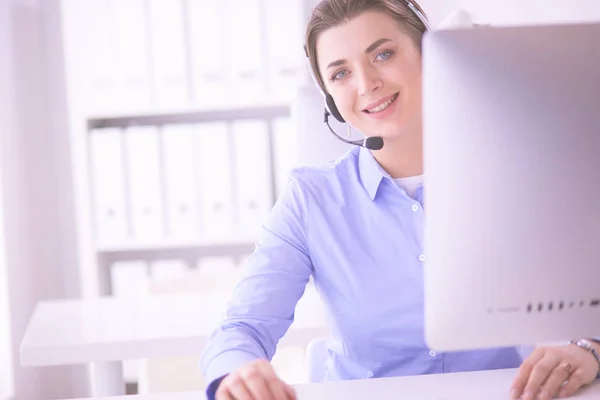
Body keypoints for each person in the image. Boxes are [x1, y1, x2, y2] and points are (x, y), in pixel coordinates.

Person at [200, 1, 600, 399]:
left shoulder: (522, 175)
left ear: (431, 56)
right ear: (330, 102)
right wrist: (237, 375)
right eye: (340, 73)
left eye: (383, 54)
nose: (366, 83)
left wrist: (590, 347)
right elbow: (241, 328)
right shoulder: (311, 199)